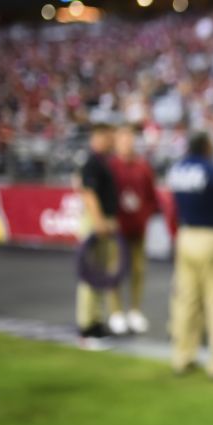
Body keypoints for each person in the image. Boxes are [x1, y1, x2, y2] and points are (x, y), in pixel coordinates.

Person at [166, 132, 213, 379]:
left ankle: (182, 357)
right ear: (207, 146)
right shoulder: (212, 170)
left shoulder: (177, 170)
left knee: (186, 300)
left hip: (186, 235)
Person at [107, 123, 159, 335]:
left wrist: (145, 216)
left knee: (138, 271)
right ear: (116, 142)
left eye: (130, 139)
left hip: (138, 228)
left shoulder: (143, 167)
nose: (127, 143)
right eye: (123, 139)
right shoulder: (111, 167)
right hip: (117, 228)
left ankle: (135, 311)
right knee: (115, 270)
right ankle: (116, 312)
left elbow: (151, 196)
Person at [76, 122, 120, 350]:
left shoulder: (103, 162)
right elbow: (89, 193)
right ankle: (87, 326)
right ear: (98, 137)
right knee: (90, 274)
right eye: (109, 136)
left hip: (104, 221)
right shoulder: (92, 162)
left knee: (101, 274)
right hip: (96, 222)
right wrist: (99, 220)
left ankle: (97, 321)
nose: (112, 141)